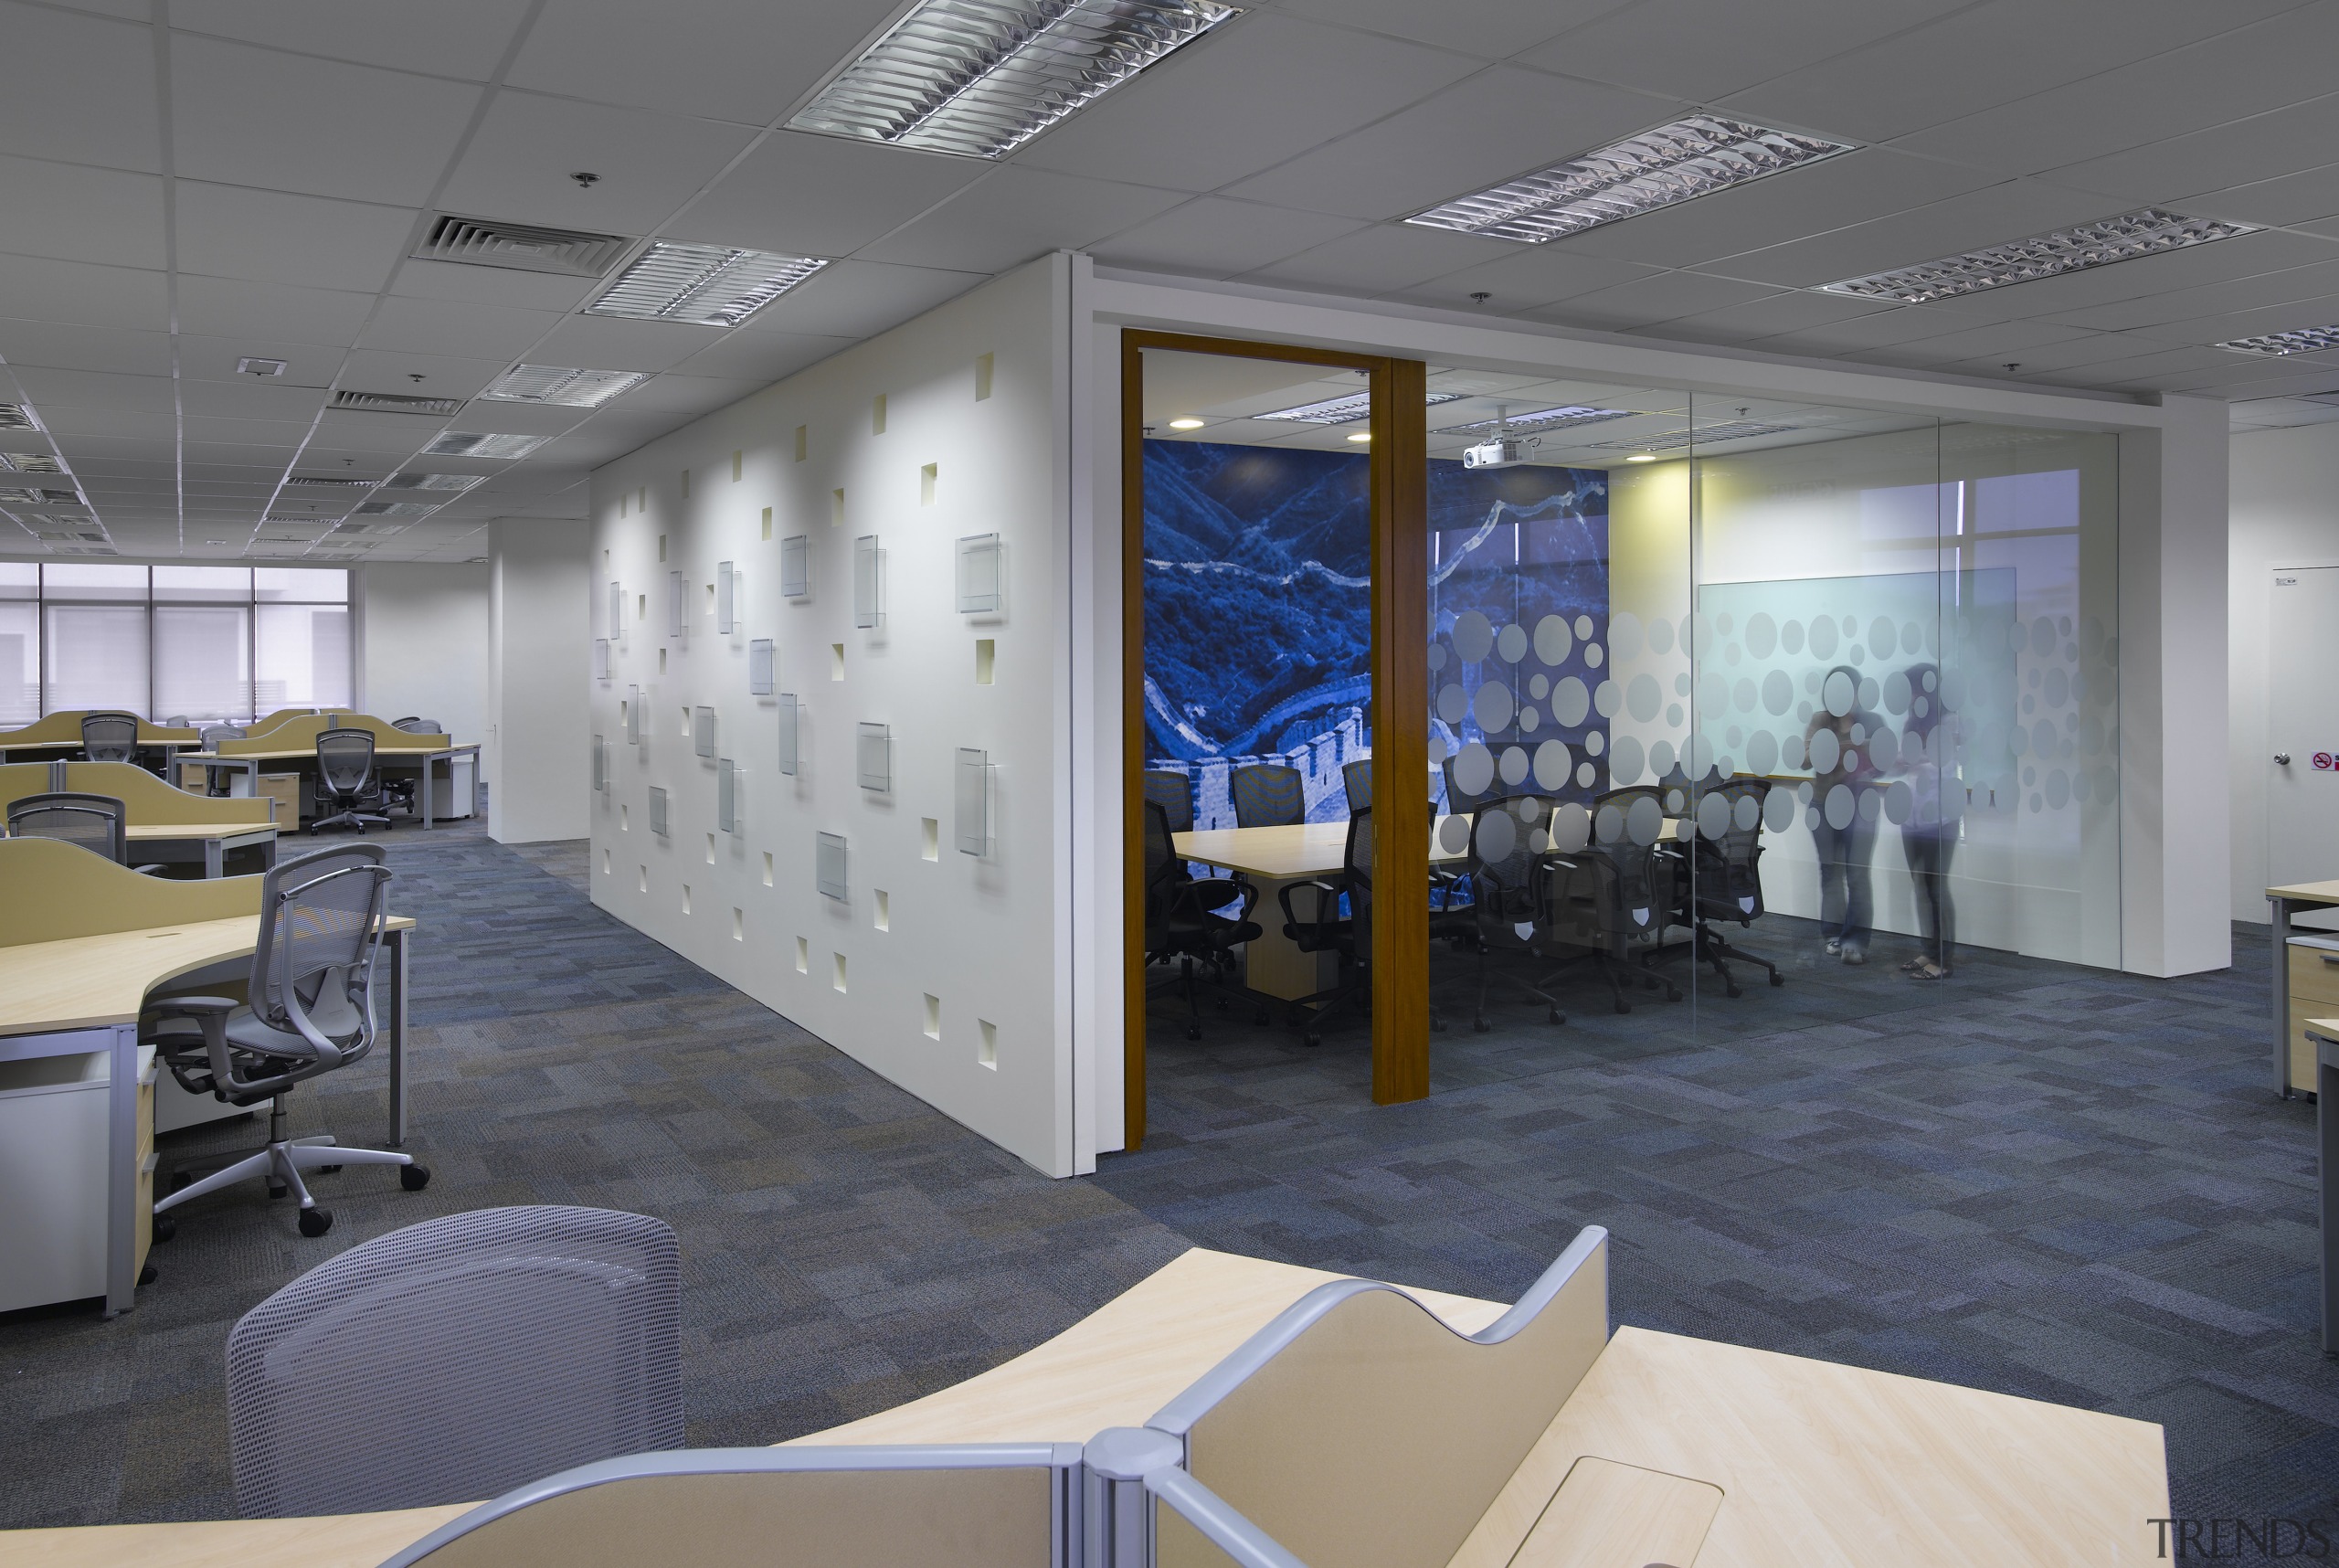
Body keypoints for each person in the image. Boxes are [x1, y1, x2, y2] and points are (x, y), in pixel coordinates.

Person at [1805, 664, 1881, 965]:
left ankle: (1856, 940)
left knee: (1858, 875)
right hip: (1823, 804)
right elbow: (1807, 757)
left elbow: (1880, 762)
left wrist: (1842, 753)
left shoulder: (1872, 721)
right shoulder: (1820, 720)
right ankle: (1833, 935)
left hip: (1860, 805)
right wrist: (1849, 751)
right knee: (1830, 872)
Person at [1897, 662, 1958, 980]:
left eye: (1914, 689)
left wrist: (1911, 758)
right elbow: (1905, 765)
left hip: (1940, 817)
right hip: (1912, 817)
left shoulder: (1949, 722)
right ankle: (1929, 950)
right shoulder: (1911, 722)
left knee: (1936, 887)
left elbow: (1941, 766)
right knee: (1920, 885)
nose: (1909, 696)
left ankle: (1943, 960)